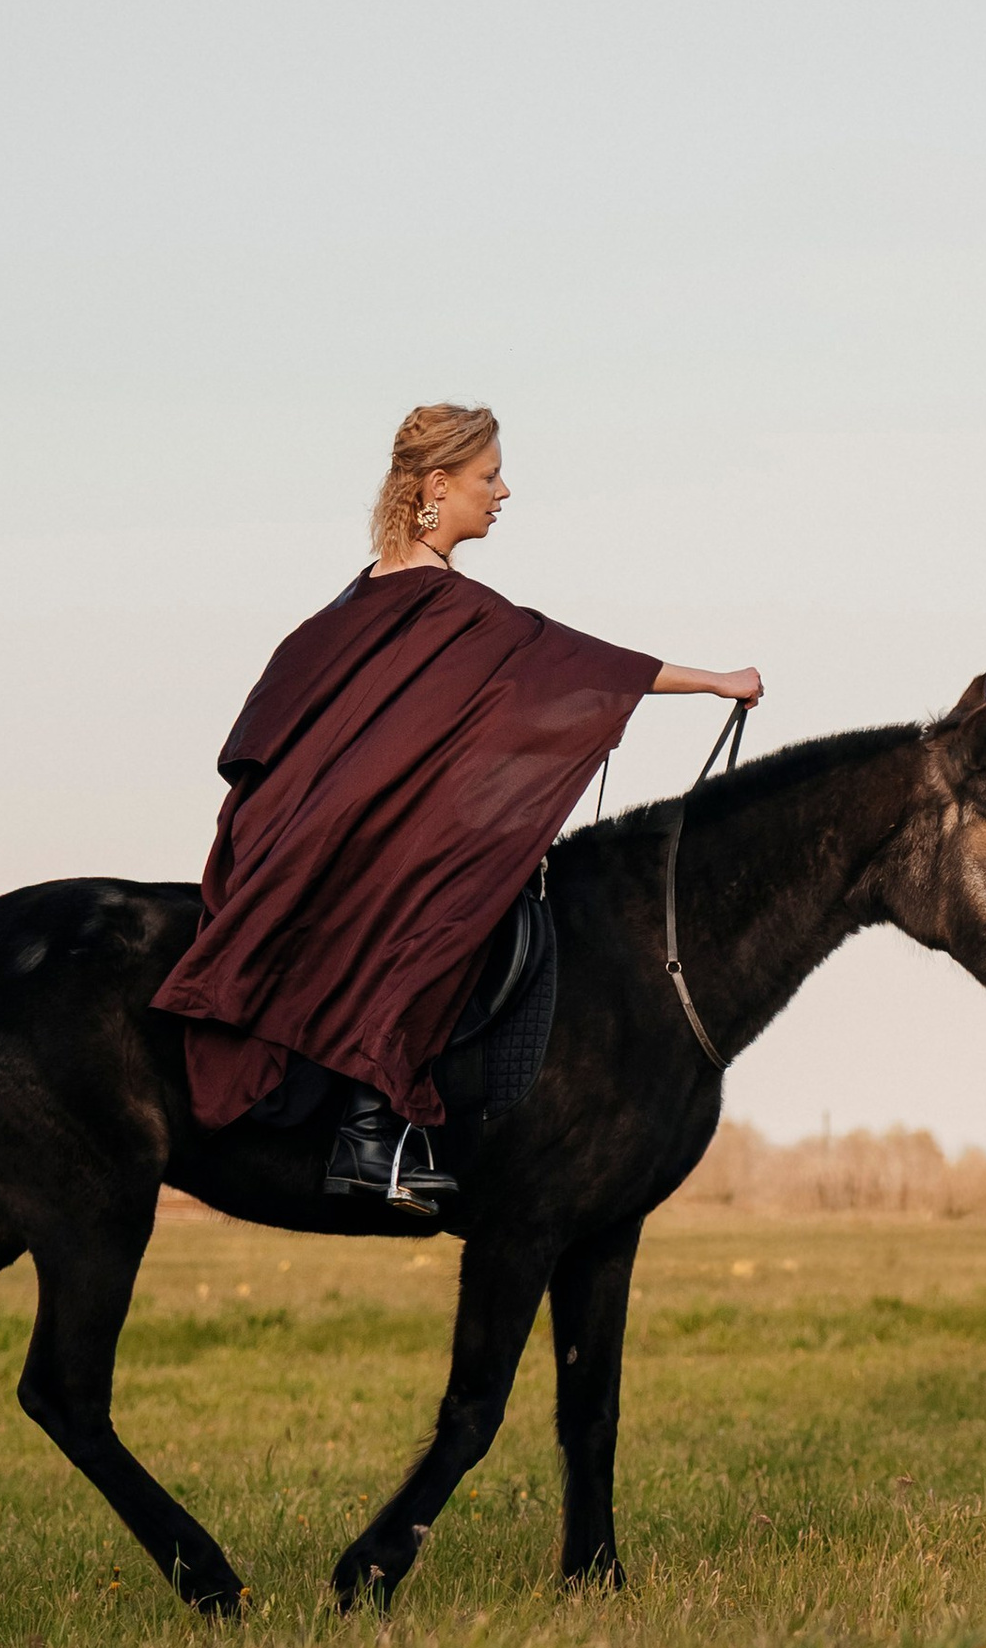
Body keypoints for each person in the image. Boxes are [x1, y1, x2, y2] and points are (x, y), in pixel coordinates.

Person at [151, 404, 763, 1216]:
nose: (503, 491)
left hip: (305, 838)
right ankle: (372, 1131)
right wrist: (720, 681)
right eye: (488, 476)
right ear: (438, 486)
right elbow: (580, 661)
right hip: (355, 844)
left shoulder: (350, 603)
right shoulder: (455, 611)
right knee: (456, 914)